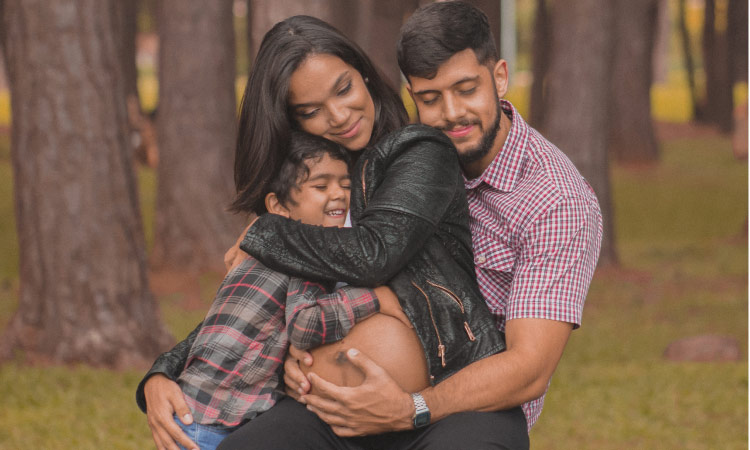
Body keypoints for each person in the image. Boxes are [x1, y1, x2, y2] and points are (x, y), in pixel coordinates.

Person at [138, 12, 513, 450]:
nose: (338, 116)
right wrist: (164, 369)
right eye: (311, 111)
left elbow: (376, 253)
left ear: (366, 76)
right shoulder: (311, 194)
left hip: (442, 399)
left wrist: (266, 234)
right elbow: (253, 301)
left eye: (344, 88)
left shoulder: (419, 151)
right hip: (326, 413)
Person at [267, 1, 603, 446]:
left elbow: (529, 369)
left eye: (467, 89)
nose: (451, 113)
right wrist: (298, 358)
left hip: (468, 409)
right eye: (430, 98)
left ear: (499, 77)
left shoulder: (556, 202)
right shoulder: (402, 157)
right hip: (349, 395)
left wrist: (412, 409)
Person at [147, 132, 415, 450]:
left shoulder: (260, 252)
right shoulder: (304, 253)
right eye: (321, 186)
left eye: (345, 184)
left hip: (195, 409)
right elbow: (304, 325)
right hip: (213, 425)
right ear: (278, 206)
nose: (339, 195)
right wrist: (376, 299)